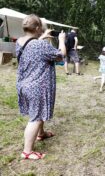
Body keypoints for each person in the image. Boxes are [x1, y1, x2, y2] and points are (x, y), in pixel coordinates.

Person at [16, 14, 66, 160]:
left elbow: (33, 47)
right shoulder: (41, 45)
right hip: (36, 86)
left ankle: (41, 134)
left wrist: (42, 37)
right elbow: (60, 56)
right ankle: (27, 151)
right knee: (36, 117)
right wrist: (61, 41)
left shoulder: (20, 42)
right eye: (41, 29)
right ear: (37, 28)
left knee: (39, 110)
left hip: (24, 84)